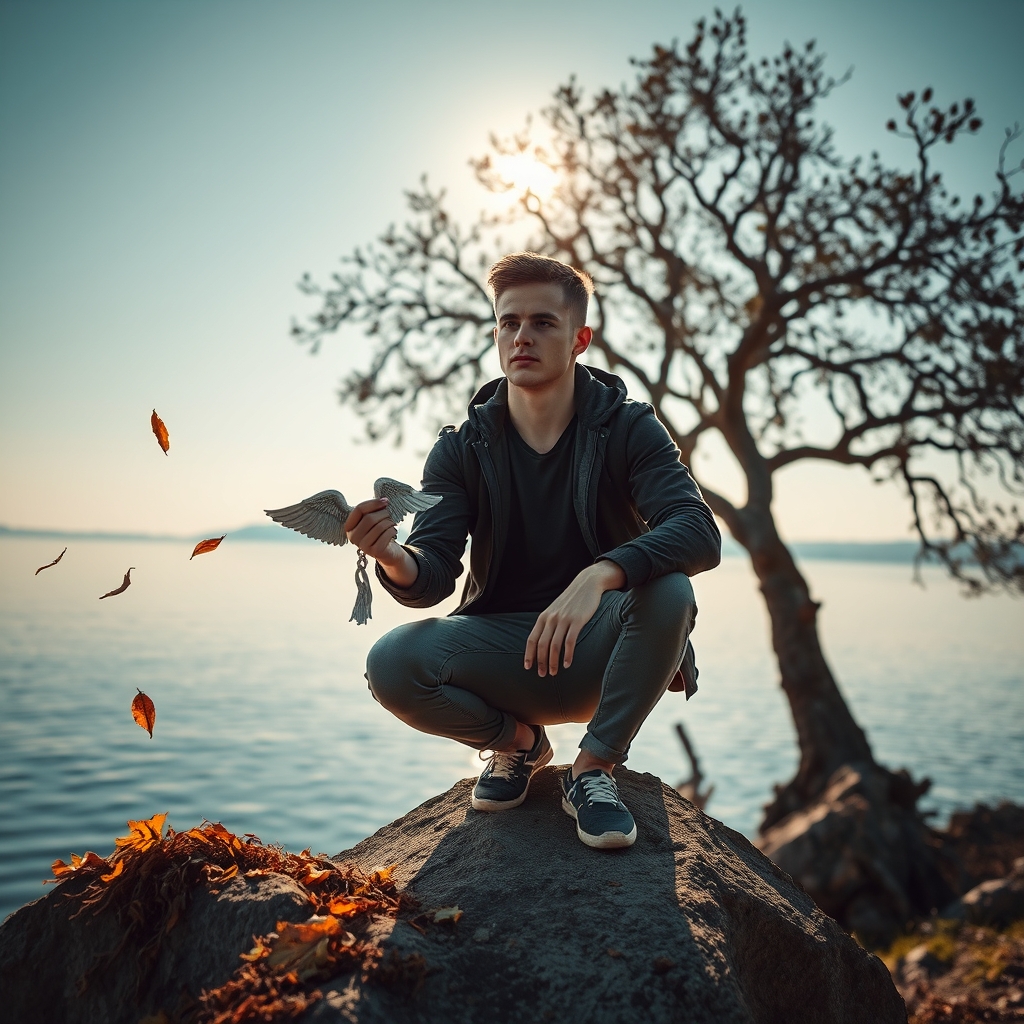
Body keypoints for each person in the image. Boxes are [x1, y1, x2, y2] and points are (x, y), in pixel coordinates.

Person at [346, 252, 721, 849]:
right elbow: (434, 571)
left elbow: (698, 529)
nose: (522, 336)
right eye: (508, 323)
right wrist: (392, 555)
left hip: (607, 652)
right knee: (389, 663)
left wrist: (600, 575)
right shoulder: (461, 447)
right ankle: (519, 747)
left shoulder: (629, 427)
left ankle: (593, 771)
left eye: (543, 322)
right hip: (505, 658)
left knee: (672, 588)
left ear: (580, 338)